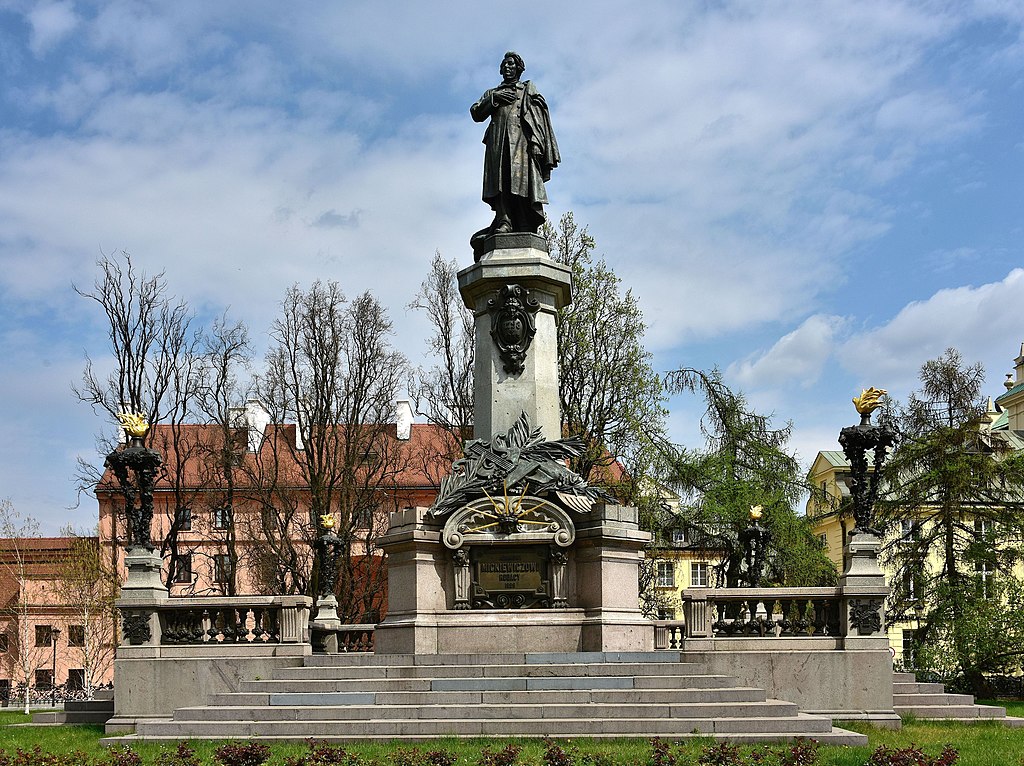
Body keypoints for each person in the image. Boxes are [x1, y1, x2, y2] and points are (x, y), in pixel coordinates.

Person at [470, 51, 559, 248]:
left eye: (511, 64)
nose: (507, 68)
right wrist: (495, 98)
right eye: (504, 65)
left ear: (519, 68)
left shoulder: (527, 90)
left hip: (521, 144)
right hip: (498, 142)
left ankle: (524, 221)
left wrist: (537, 143)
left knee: (520, 181)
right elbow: (476, 113)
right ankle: (504, 221)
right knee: (501, 181)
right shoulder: (493, 93)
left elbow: (538, 119)